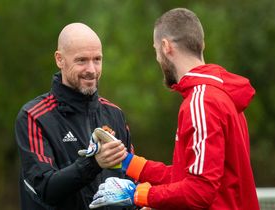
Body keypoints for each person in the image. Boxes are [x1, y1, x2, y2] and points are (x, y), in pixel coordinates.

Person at [90, 8, 260, 210]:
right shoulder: (220, 95)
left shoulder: (201, 102)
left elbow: (200, 190)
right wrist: (129, 163)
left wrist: (138, 194)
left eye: (155, 51)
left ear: (165, 46)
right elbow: (190, 176)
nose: (157, 59)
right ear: (201, 44)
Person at [14, 23, 134, 210]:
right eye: (81, 60)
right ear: (59, 60)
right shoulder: (33, 116)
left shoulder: (114, 114)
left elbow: (132, 179)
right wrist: (94, 163)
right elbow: (45, 188)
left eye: (97, 59)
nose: (92, 70)